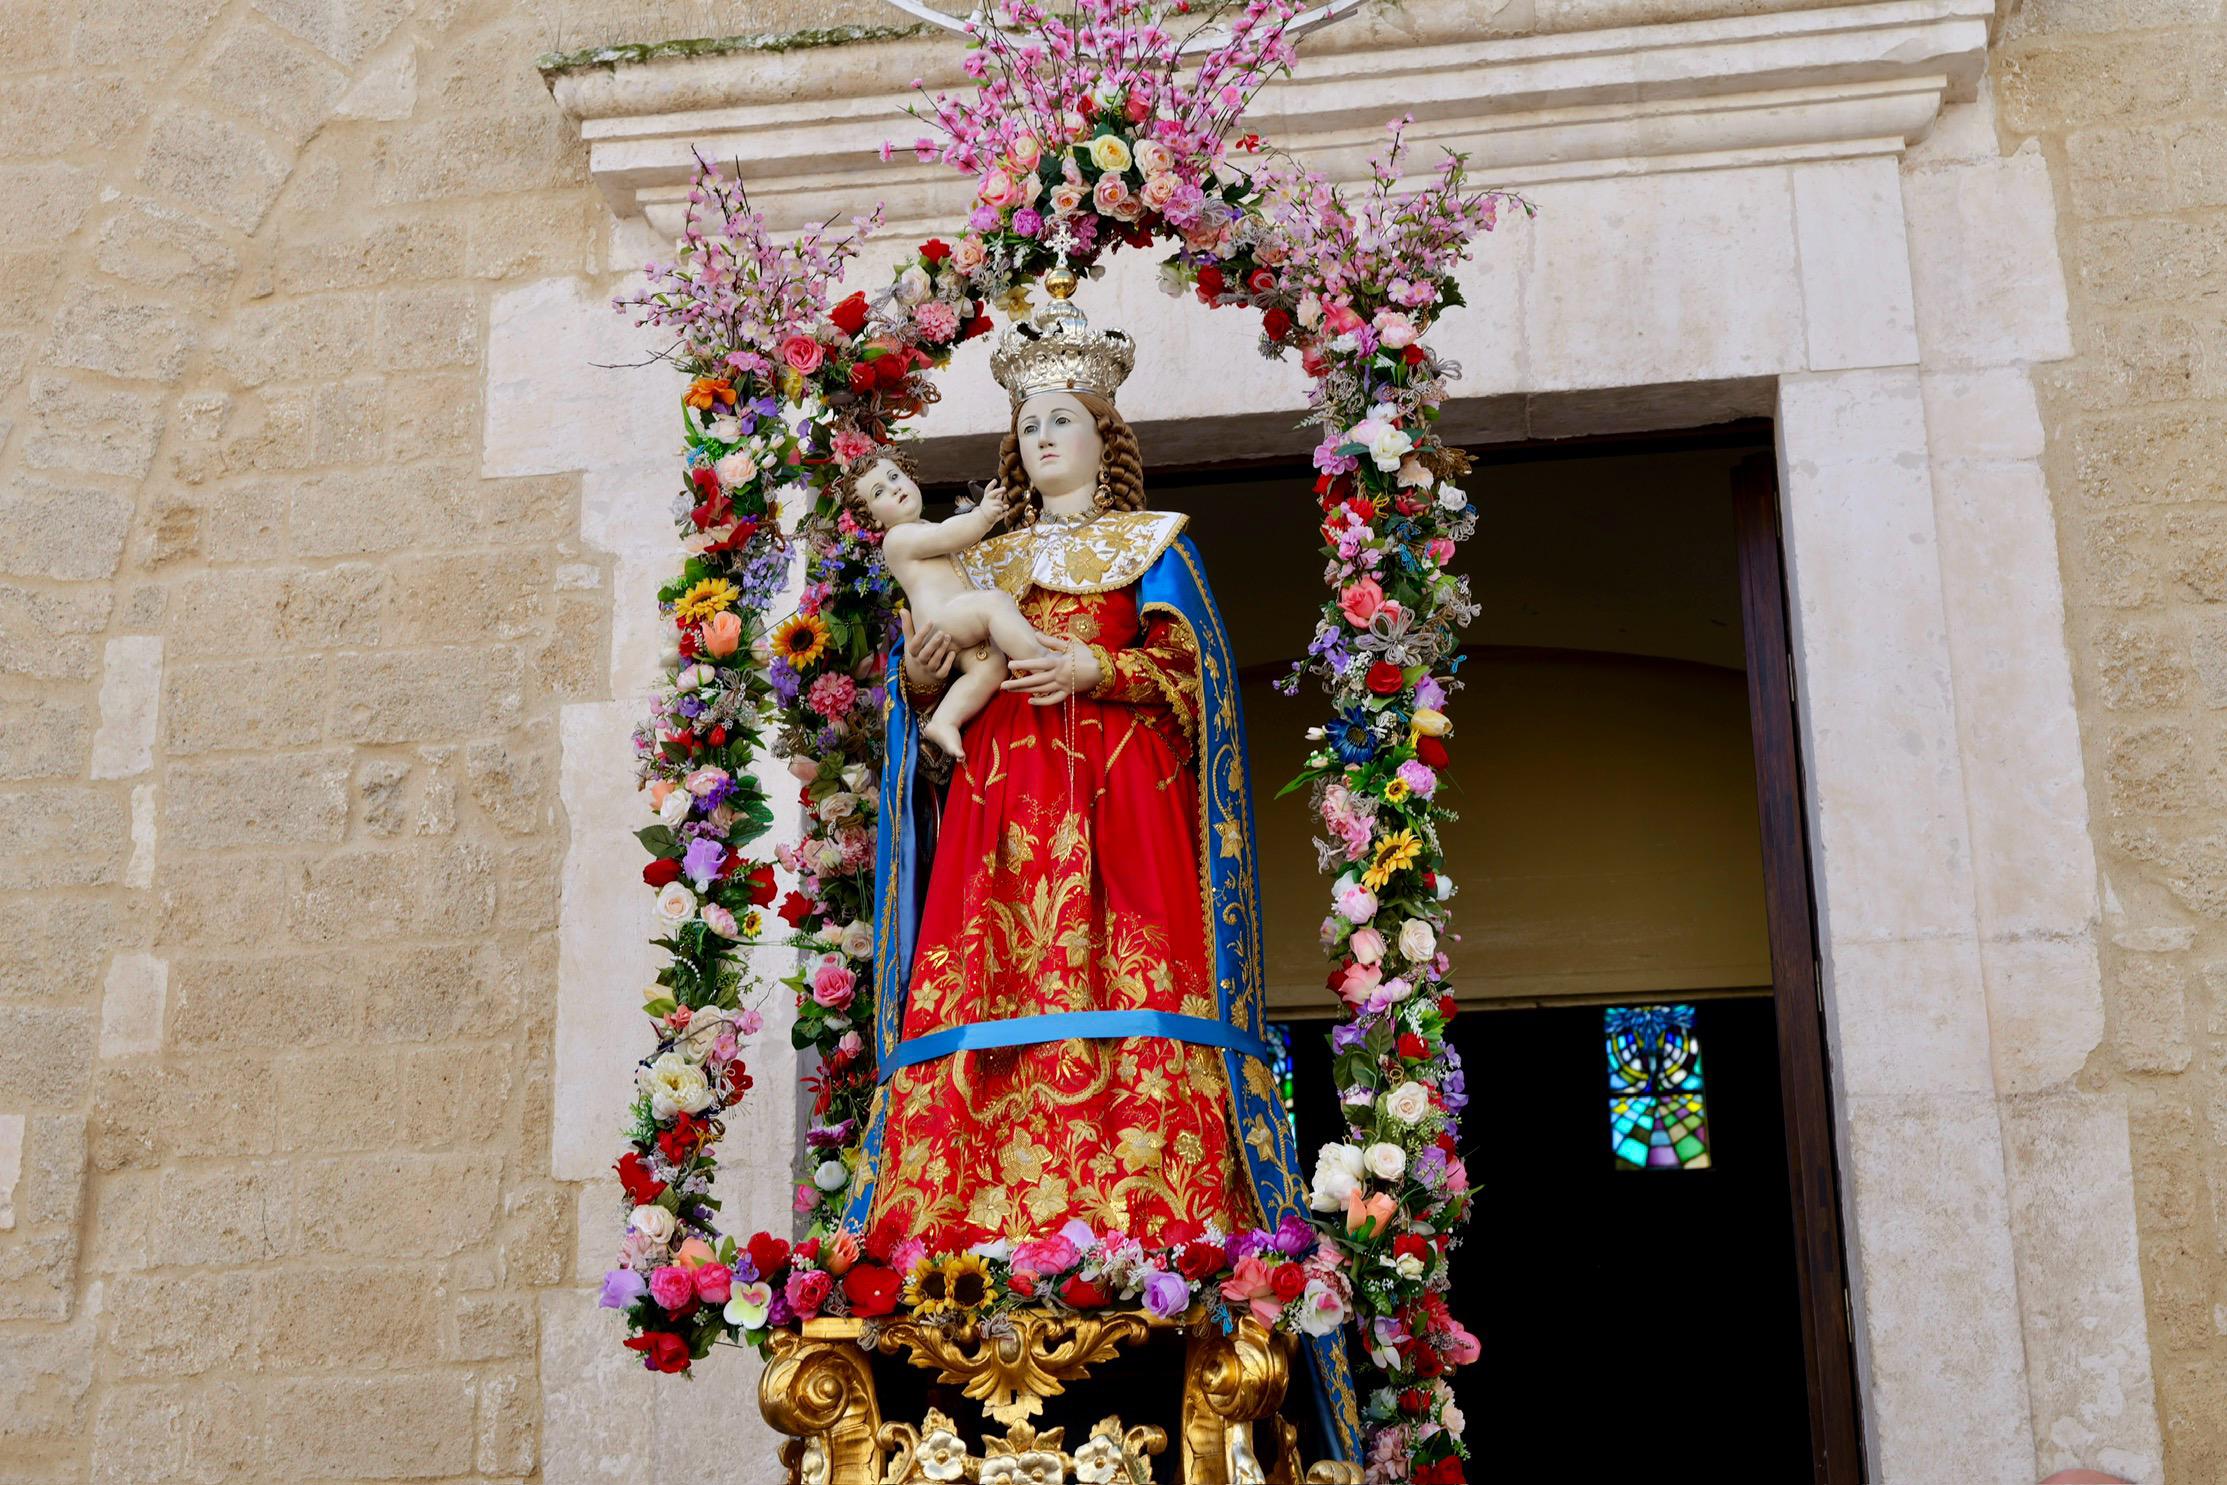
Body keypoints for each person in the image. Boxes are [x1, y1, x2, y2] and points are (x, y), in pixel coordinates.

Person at [842, 286, 1359, 1459]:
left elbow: (1203, 694)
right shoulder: (988, 554)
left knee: (1126, 970)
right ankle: (968, 1218)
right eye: (1026, 424)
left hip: (1119, 809)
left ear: (1103, 437)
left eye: (1061, 420)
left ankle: (1143, 1218)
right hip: (1001, 811)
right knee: (989, 975)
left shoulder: (1157, 548)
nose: (1042, 440)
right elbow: (930, 691)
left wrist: (1096, 667)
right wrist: (923, 678)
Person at [836, 449, 1048, 762]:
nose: (894, 487)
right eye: (879, 492)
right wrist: (984, 515)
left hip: (956, 623)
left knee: (990, 666)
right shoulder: (898, 538)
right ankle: (1042, 660)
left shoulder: (920, 527)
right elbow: (951, 534)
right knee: (995, 604)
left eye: (895, 477)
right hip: (942, 621)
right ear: (874, 518)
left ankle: (945, 720)